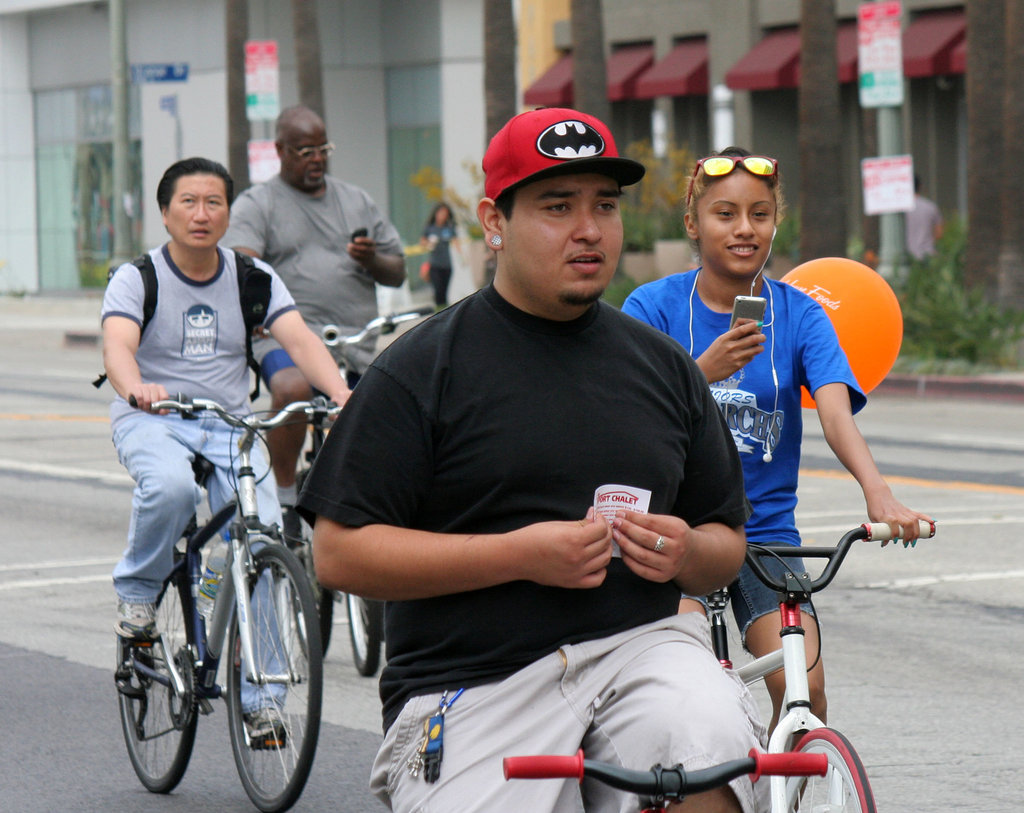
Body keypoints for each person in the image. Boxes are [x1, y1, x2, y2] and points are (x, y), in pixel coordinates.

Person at [299, 108, 767, 813]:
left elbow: (724, 543)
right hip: (475, 678)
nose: (589, 229)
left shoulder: (665, 368)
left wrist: (685, 551)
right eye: (557, 206)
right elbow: (336, 554)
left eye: (604, 206)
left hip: (642, 647)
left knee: (705, 747)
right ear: (495, 221)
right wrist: (516, 555)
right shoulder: (421, 369)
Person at [622, 147, 933, 732]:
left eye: (759, 214)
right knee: (678, 694)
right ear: (693, 223)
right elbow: (626, 417)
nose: (744, 229)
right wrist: (701, 371)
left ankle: (779, 788)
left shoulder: (801, 315)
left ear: (774, 222)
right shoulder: (651, 308)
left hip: (765, 536)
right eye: (725, 213)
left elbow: (838, 415)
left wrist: (879, 493)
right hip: (674, 532)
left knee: (806, 690)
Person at [102, 156, 350, 736]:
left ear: (228, 213)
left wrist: (340, 396)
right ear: (165, 212)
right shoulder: (138, 277)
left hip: (227, 422)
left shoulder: (251, 276)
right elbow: (117, 347)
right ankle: (139, 597)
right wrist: (136, 388)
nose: (201, 213)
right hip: (154, 418)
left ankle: (262, 700)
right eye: (188, 202)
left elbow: (299, 338)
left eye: (214, 202)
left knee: (262, 533)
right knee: (170, 488)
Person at [223, 105, 406, 528]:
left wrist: (371, 258)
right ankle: (283, 497)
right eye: (305, 151)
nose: (317, 159)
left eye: (323, 149)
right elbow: (241, 264)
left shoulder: (355, 200)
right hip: (284, 338)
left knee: (388, 412)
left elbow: (397, 271)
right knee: (293, 387)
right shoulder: (259, 203)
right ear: (280, 150)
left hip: (353, 341)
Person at [419, 202, 461, 308]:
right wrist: (430, 243)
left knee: (444, 292)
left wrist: (462, 257)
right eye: (441, 212)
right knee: (438, 291)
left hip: (447, 264)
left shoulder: (449, 228)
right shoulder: (430, 228)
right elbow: (422, 242)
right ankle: (438, 311)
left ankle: (443, 311)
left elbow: (456, 242)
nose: (443, 215)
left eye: (445, 213)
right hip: (435, 265)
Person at [904, 174, 943, 261]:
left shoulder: (900, 209)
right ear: (920, 186)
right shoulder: (931, 206)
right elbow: (939, 233)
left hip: (906, 256)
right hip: (928, 254)